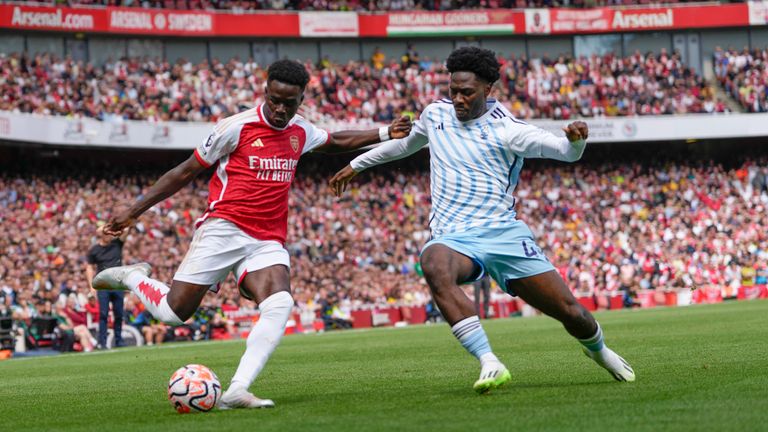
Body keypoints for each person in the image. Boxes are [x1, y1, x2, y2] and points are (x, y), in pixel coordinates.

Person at [92, 59, 412, 409]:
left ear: (301, 99)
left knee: (280, 302)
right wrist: (132, 211)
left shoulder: (300, 131)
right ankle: (134, 276)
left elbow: (334, 140)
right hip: (224, 228)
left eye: (288, 103)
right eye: (274, 99)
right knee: (173, 313)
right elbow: (185, 172)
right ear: (264, 91)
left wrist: (383, 133)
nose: (279, 108)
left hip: (267, 238)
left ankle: (237, 389)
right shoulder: (236, 127)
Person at [329, 47, 635, 393]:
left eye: (467, 92)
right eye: (453, 91)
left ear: (489, 89)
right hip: (454, 237)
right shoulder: (435, 115)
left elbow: (564, 152)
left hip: (503, 234)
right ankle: (489, 361)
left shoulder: (509, 130)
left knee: (570, 311)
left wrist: (576, 141)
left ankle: (600, 351)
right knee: (433, 263)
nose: (458, 99)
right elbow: (405, 146)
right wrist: (356, 165)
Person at [86, 224, 129, 349]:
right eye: (106, 233)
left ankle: (119, 340)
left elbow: (126, 229)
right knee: (103, 314)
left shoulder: (117, 244)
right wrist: (91, 285)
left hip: (117, 284)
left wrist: (112, 228)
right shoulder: (94, 250)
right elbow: (89, 267)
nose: (108, 236)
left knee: (119, 314)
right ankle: (102, 342)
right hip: (103, 284)